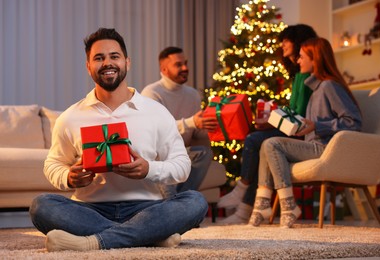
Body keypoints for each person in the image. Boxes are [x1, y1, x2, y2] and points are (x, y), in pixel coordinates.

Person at [29, 28, 208, 252]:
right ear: (88, 67)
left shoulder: (156, 112)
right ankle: (149, 235)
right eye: (99, 58)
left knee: (195, 202)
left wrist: (148, 169)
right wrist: (69, 177)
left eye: (114, 56)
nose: (107, 63)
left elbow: (182, 165)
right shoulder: (70, 117)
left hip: (147, 208)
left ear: (127, 62)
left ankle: (93, 242)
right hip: (88, 209)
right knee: (41, 206)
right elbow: (53, 164)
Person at [249, 37, 362, 228]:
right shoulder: (315, 89)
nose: (298, 61)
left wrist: (317, 126)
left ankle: (287, 205)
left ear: (315, 59)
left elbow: (354, 122)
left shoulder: (329, 86)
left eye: (301, 57)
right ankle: (262, 204)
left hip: (326, 149)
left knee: (271, 143)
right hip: (314, 145)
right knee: (265, 146)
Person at [217, 24, 318, 224]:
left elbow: (300, 115)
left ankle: (242, 190)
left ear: (297, 41)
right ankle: (245, 209)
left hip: (301, 134)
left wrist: (272, 123)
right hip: (293, 130)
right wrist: (270, 121)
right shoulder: (298, 74)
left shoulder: (307, 76)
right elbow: (293, 111)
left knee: (255, 140)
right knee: (258, 143)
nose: (282, 45)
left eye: (286, 40)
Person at [141, 47, 218, 197]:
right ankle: (177, 205)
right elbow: (157, 132)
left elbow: (197, 132)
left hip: (183, 152)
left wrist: (212, 124)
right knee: (161, 158)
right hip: (160, 154)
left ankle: (181, 201)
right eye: (178, 65)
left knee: (204, 153)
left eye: (186, 63)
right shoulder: (152, 93)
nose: (185, 68)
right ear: (164, 69)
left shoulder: (193, 94)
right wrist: (192, 123)